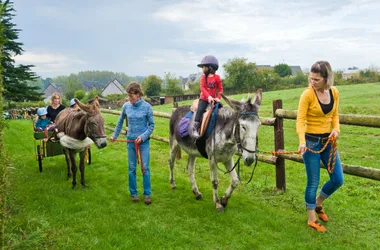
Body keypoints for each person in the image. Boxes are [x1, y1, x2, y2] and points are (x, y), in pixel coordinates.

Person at [296, 61, 344, 233]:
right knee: (313, 181)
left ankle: (318, 203)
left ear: (326, 79)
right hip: (310, 143)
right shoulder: (307, 95)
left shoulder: (334, 92)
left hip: (328, 142)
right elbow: (300, 120)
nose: (312, 82)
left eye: (316, 79)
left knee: (338, 179)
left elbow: (335, 115)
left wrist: (336, 130)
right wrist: (302, 141)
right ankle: (311, 219)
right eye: (311, 78)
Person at [110, 82, 155, 205]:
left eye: (132, 96)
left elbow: (151, 126)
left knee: (145, 168)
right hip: (130, 142)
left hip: (143, 143)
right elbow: (120, 123)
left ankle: (147, 194)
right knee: (131, 168)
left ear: (139, 94)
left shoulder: (147, 107)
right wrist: (115, 135)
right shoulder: (126, 106)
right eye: (128, 96)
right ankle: (133, 194)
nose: (129, 99)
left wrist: (143, 137)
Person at [191, 55, 223, 138]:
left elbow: (220, 89)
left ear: (210, 67)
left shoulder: (217, 78)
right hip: (204, 99)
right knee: (200, 110)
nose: (202, 69)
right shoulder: (203, 78)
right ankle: (195, 128)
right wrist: (208, 96)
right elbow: (202, 87)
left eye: (204, 67)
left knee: (221, 110)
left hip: (214, 100)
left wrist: (218, 98)